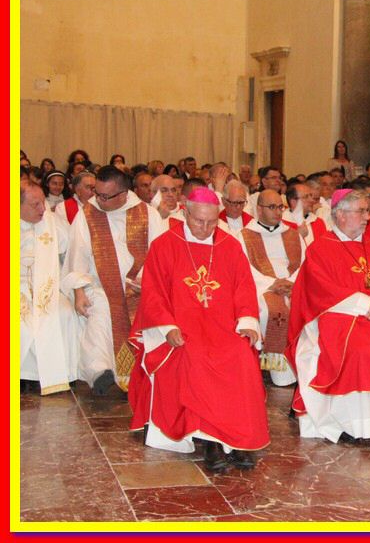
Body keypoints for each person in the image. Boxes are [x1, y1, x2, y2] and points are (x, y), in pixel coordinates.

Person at [127, 188, 268, 471]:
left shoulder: (229, 245)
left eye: (212, 222)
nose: (205, 228)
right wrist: (167, 327)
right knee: (197, 357)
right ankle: (212, 442)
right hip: (182, 328)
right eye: (198, 221)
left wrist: (248, 322)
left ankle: (237, 440)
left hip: (224, 327)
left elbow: (244, 287)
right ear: (184, 213)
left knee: (241, 354)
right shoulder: (164, 245)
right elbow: (153, 294)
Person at [286, 189, 370, 443]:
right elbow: (321, 289)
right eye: (361, 211)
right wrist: (366, 304)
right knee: (360, 349)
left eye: (367, 211)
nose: (367, 217)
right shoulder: (320, 249)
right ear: (340, 215)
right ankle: (351, 424)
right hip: (337, 315)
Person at [62, 166, 166, 394]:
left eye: (105, 196)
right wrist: (79, 291)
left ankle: (146, 373)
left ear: (123, 194)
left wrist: (147, 282)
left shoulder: (148, 214)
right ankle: (100, 372)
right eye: (96, 193)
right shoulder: (87, 214)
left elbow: (160, 255)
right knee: (99, 312)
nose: (98, 200)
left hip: (140, 286)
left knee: (150, 312)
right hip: (99, 286)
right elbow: (77, 256)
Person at [240, 189, 305, 387]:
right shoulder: (243, 236)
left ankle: (299, 367)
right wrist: (271, 284)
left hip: (292, 286)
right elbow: (243, 268)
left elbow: (305, 264)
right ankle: (275, 370)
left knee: (303, 310)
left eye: (280, 207)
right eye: (272, 207)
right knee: (271, 311)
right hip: (262, 288)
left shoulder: (293, 235)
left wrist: (292, 282)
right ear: (259, 209)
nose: (278, 212)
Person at [20, 183, 80, 395]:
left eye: (43, 203)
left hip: (48, 284)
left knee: (63, 312)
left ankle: (63, 372)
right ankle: (23, 374)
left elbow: (72, 253)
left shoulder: (53, 223)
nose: (42, 209)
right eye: (35, 205)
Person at [281, 181, 330, 246]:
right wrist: (298, 236)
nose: (312, 200)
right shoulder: (281, 223)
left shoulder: (318, 222)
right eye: (306, 197)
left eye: (311, 196)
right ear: (293, 202)